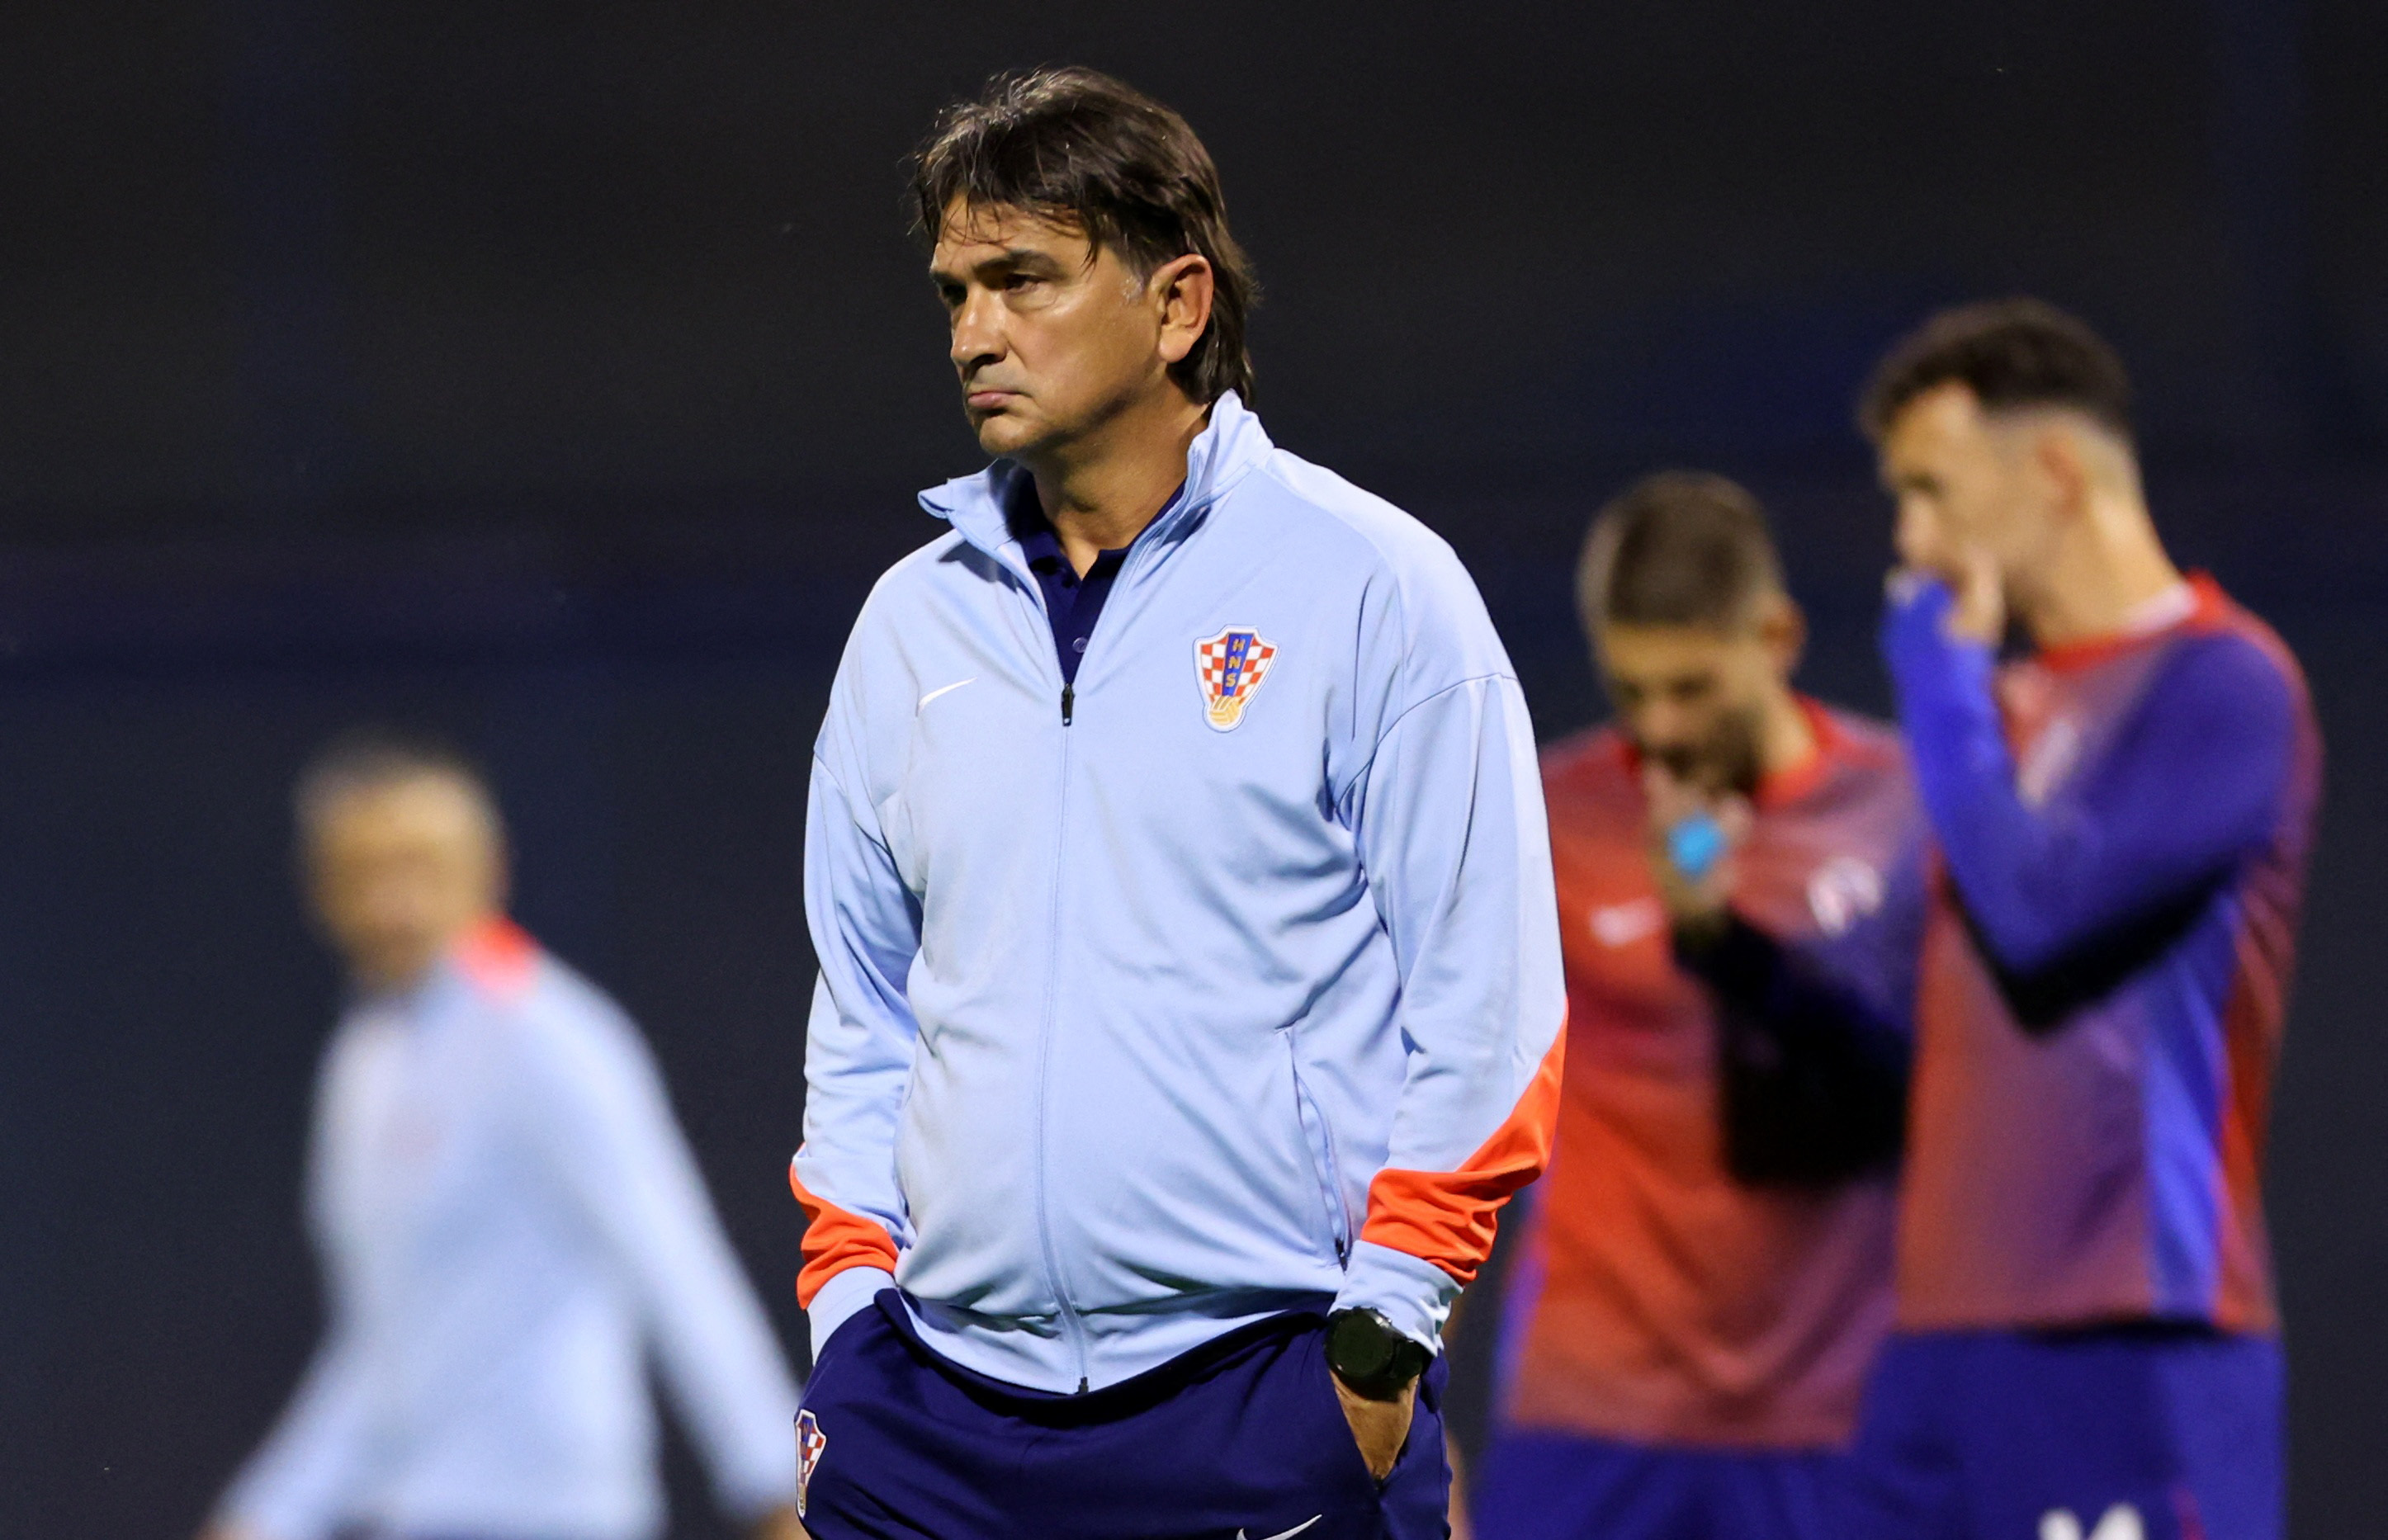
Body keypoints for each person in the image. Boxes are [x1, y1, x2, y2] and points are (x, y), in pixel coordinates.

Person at [787, 68, 1564, 1540]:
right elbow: (865, 1010)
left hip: (1262, 1398)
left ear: (1178, 304)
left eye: (1022, 279)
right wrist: (851, 1323)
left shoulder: (1370, 588)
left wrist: (1380, 1345)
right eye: (954, 290)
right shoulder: (909, 625)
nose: (972, 333)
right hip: (934, 1420)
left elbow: (1490, 1008)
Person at [1842, 299, 2322, 1540]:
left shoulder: (2222, 681)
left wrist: (1940, 681)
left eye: (1934, 491)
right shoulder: (1988, 721)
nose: (1911, 541)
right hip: (1938, 1331)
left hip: (2130, 1323)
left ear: (2054, 472)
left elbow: (2040, 916)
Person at [1463, 473, 1924, 1540]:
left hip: (1830, 1410)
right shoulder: (1551, 816)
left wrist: (1719, 940)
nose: (1658, 730)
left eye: (1690, 687)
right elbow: (1432, 1093)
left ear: (1776, 633)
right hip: (1593, 1407)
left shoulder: (1896, 806)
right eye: (1631, 691)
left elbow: (1912, 1093)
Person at [202, 732, 804, 1540]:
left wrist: (774, 1485)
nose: (394, 902)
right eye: (366, 872)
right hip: (414, 1513)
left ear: (490, 871)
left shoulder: (547, 1034)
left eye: (421, 865)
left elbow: (675, 1262)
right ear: (321, 891)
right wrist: (269, 1513)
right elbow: (384, 1340)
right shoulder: (366, 1057)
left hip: (553, 1512)